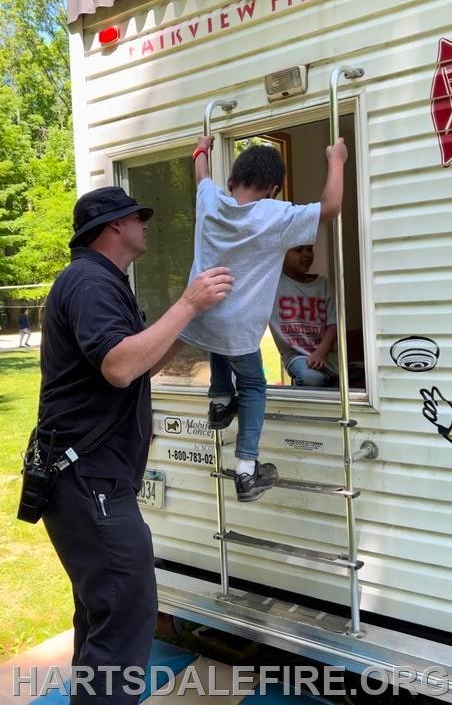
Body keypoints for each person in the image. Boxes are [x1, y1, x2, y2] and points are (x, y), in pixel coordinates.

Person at [37, 186, 232, 704]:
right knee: (126, 614)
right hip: (90, 483)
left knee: (105, 616)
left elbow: (138, 359)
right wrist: (187, 302)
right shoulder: (88, 283)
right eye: (136, 218)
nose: (145, 225)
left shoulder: (103, 282)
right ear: (112, 228)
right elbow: (120, 365)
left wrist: (196, 322)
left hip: (91, 480)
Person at [180, 136, 347, 502]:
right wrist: (336, 159)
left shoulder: (210, 200)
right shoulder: (276, 215)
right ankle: (246, 471)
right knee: (254, 385)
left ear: (231, 183)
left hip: (201, 316)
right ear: (273, 189)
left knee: (217, 342)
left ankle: (220, 402)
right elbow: (331, 206)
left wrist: (201, 147)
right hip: (238, 329)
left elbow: (201, 174)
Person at [270, 245, 338, 387]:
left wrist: (320, 352)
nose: (306, 254)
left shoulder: (322, 284)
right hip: (296, 356)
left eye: (310, 249)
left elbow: (333, 324)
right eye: (299, 249)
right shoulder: (273, 284)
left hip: (325, 354)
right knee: (311, 379)